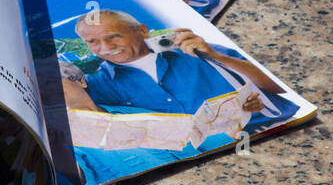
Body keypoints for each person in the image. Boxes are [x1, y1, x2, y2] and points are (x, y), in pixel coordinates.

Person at [73, 9, 298, 132]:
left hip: (272, 128)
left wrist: (215, 56)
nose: (106, 48)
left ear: (142, 31)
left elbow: (278, 87)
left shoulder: (193, 50)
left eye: (114, 36)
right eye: (93, 42)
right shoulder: (97, 85)